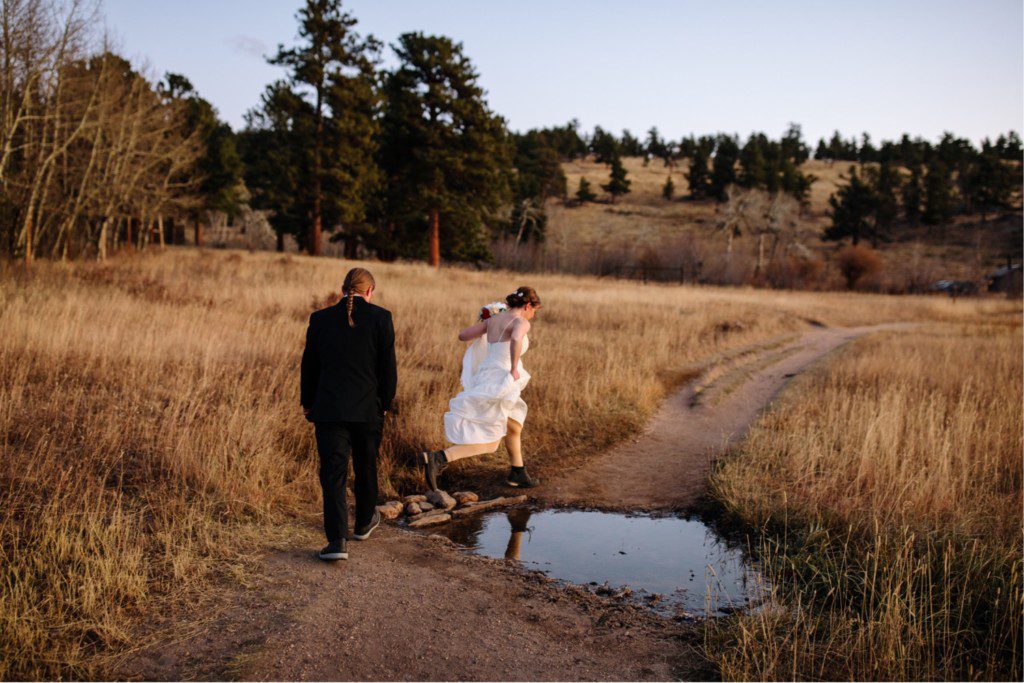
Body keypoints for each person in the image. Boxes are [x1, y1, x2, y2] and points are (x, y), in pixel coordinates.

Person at [301, 267, 397, 561]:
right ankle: (365, 522)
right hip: (368, 408)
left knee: (333, 473)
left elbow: (309, 365)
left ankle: (337, 542)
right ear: (370, 291)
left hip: (328, 408)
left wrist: (308, 402)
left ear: (344, 290)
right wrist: (385, 401)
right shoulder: (382, 318)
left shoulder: (320, 319)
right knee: (367, 465)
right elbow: (387, 368)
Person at [418, 286, 541, 491]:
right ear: (527, 305)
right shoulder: (521, 322)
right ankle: (439, 458)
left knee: (513, 424)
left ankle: (518, 472)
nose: (534, 315)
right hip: (504, 377)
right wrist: (513, 368)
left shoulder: (493, 320)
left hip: (487, 374)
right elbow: (517, 338)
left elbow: (463, 335)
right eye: (534, 310)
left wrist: (485, 324)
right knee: (492, 441)